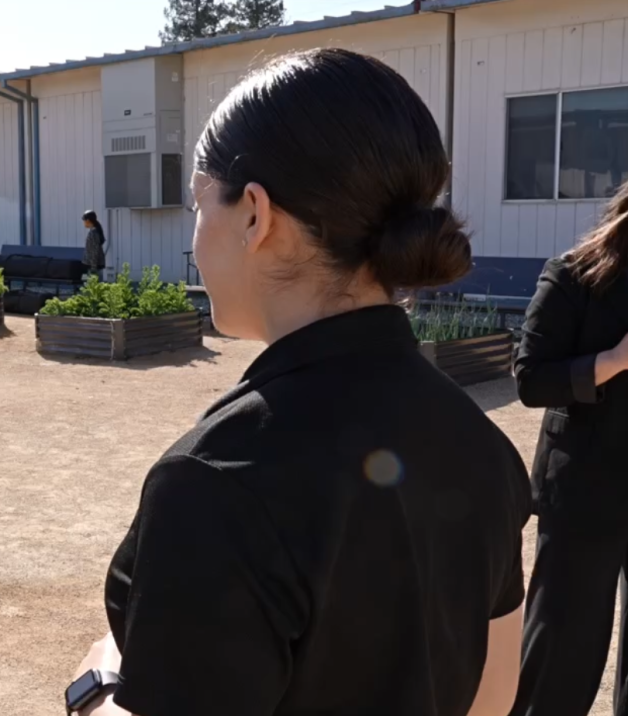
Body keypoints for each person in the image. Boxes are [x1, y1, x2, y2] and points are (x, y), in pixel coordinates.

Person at [66, 49, 531, 716]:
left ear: (255, 214)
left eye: (199, 202)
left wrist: (99, 683)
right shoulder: (483, 447)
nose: (194, 238)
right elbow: (493, 695)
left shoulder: (218, 478)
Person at [510, 179, 628, 716]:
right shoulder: (575, 273)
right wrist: (614, 360)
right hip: (584, 488)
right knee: (564, 643)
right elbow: (531, 379)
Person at [82, 210, 106, 277]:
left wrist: (93, 268)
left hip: (93, 266)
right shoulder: (93, 231)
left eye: (84, 220)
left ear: (88, 220)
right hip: (93, 265)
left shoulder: (93, 234)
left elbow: (94, 251)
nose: (83, 222)